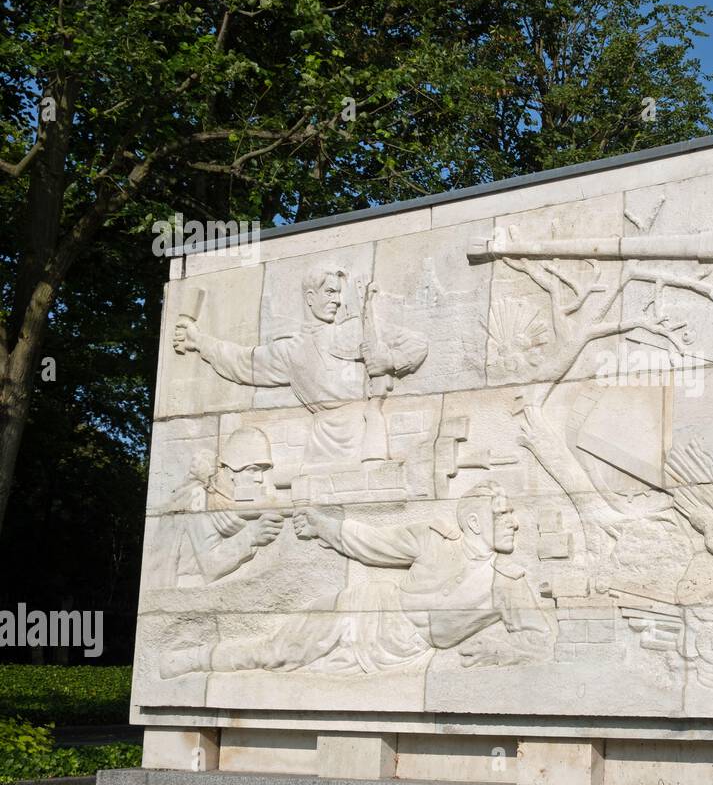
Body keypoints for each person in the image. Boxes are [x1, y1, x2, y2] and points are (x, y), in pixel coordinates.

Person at [159, 482, 553, 677]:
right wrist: (322, 525)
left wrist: (499, 653)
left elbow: (538, 641)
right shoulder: (433, 539)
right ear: (473, 521)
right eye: (503, 515)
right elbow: (371, 544)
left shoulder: (508, 582)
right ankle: (191, 660)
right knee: (276, 652)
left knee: (298, 675)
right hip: (363, 610)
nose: (514, 522)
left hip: (405, 652)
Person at [172, 268, 427, 465]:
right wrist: (198, 341)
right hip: (321, 443)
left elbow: (418, 345)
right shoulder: (291, 350)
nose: (337, 301)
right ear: (310, 297)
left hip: (365, 431)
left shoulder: (354, 330)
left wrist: (389, 361)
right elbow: (242, 362)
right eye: (330, 292)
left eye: (338, 293)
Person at [150, 427, 283, 588]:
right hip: (191, 592)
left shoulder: (226, 499)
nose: (259, 478)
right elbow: (211, 565)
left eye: (262, 470)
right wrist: (252, 535)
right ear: (230, 469)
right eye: (252, 470)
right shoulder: (198, 497)